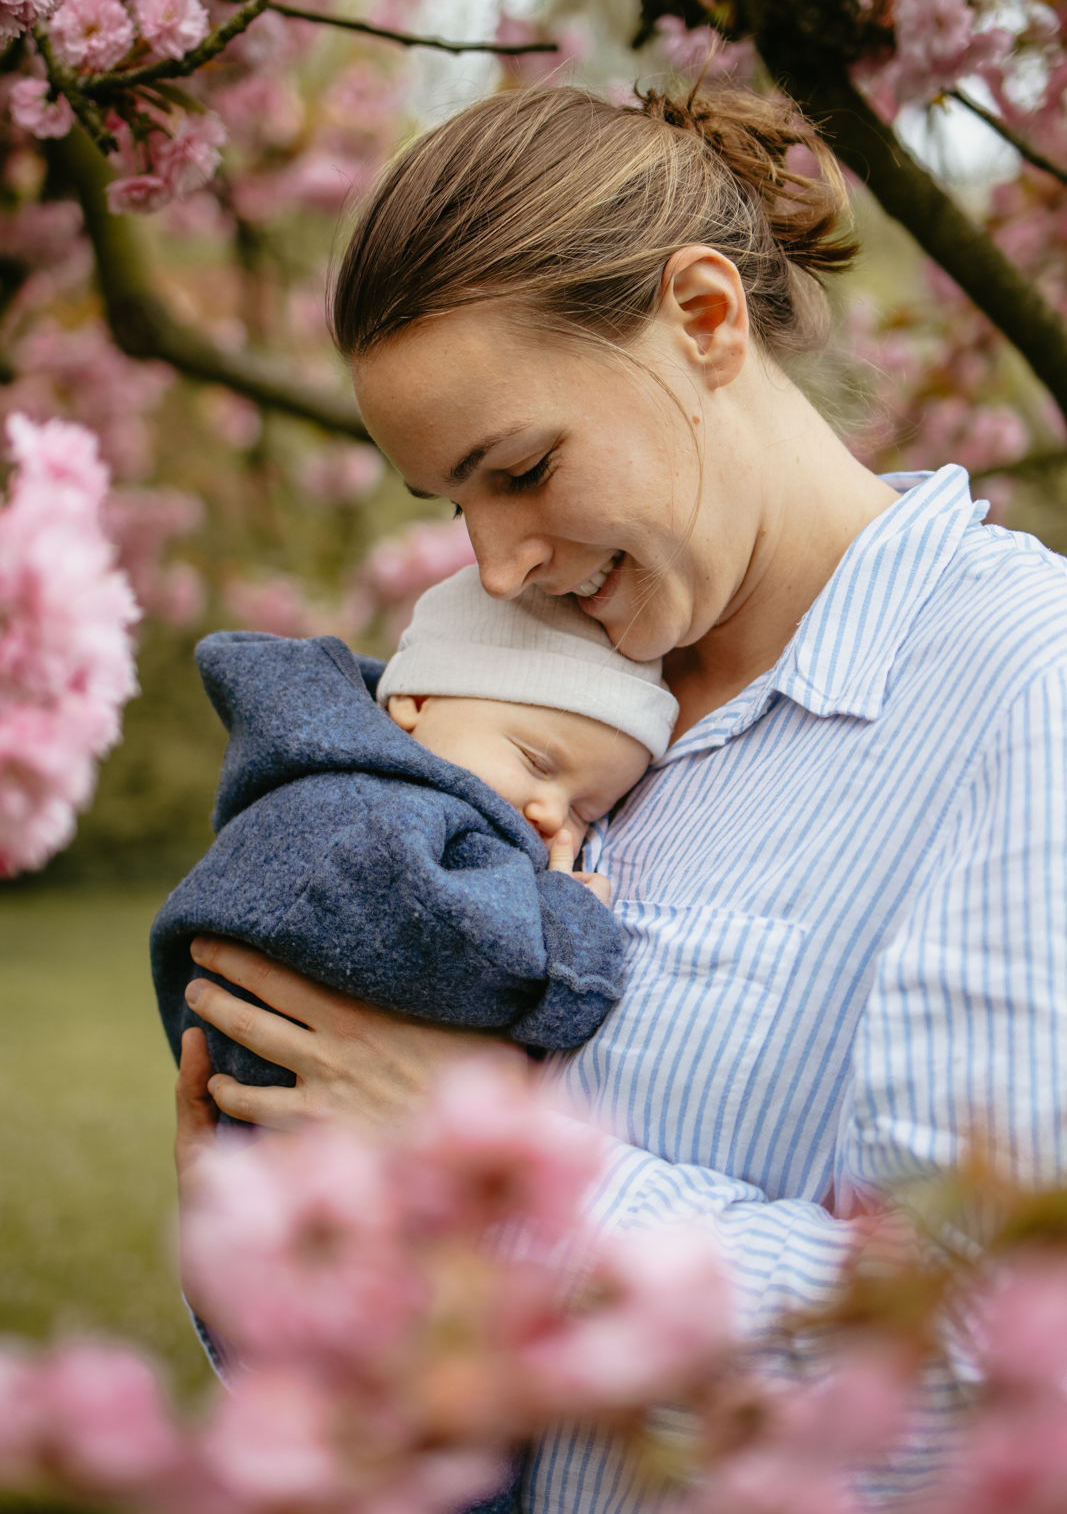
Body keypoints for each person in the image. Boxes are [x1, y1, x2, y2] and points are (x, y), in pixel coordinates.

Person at [176, 82, 1067, 1510]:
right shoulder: (543, 696)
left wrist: (492, 1166)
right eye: (452, 503)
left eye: (522, 470)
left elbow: (989, 1357)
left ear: (704, 318)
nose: (494, 564)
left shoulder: (1023, 691)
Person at [153, 565, 676, 1094]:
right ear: (417, 701)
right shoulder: (378, 814)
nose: (551, 814)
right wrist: (571, 931)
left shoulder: (349, 774)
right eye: (536, 762)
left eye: (584, 810)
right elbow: (467, 949)